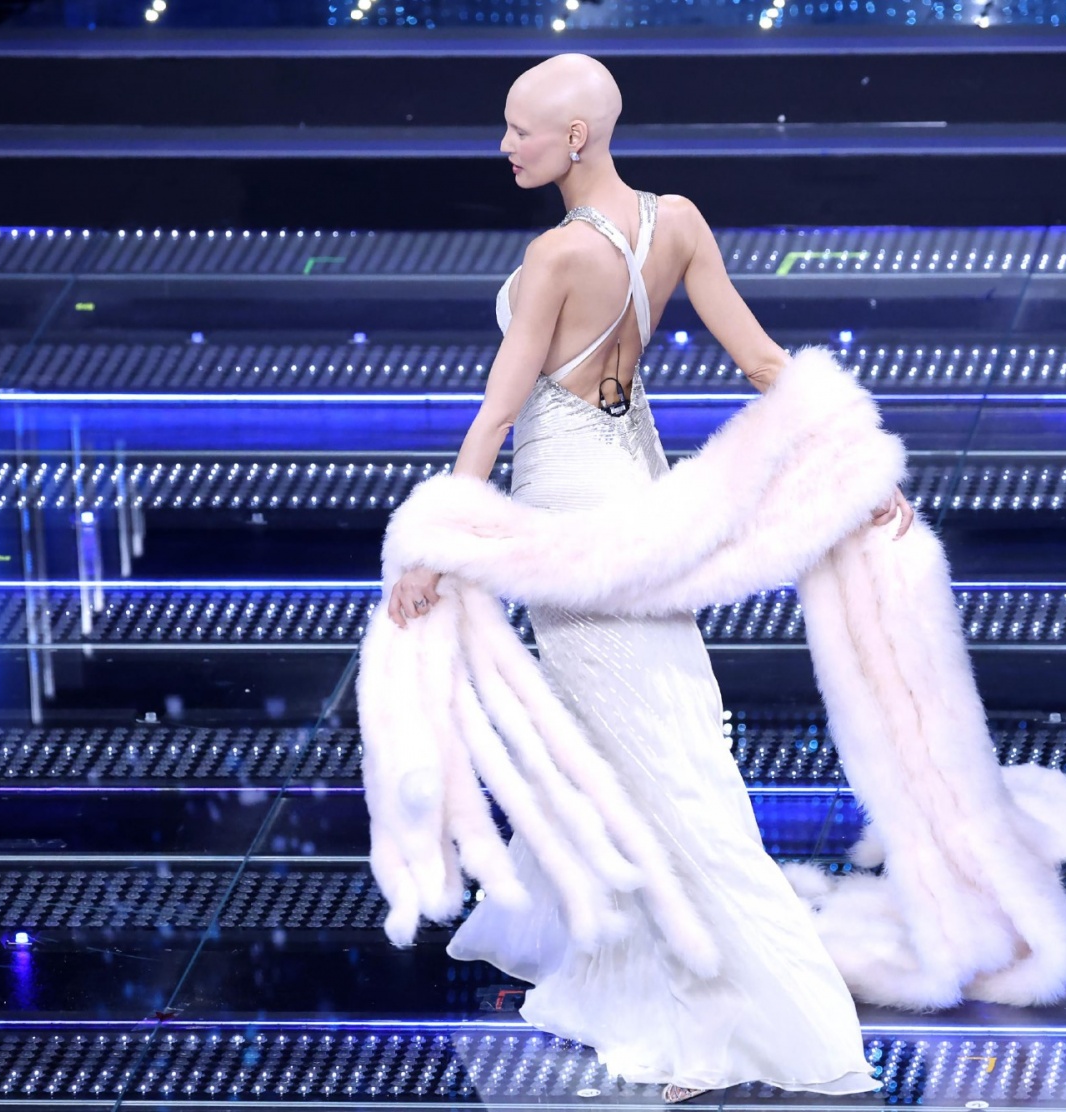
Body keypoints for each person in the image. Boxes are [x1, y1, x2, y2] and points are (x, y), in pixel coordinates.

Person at [383, 54, 905, 1101]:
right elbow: (764, 362)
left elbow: (495, 413)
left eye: (518, 129)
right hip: (641, 493)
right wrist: (858, 449)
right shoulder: (677, 220)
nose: (503, 146)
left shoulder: (552, 260)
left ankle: (759, 1012)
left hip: (575, 521)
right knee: (638, 742)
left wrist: (435, 537)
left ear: (576, 137)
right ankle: (626, 945)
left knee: (657, 768)